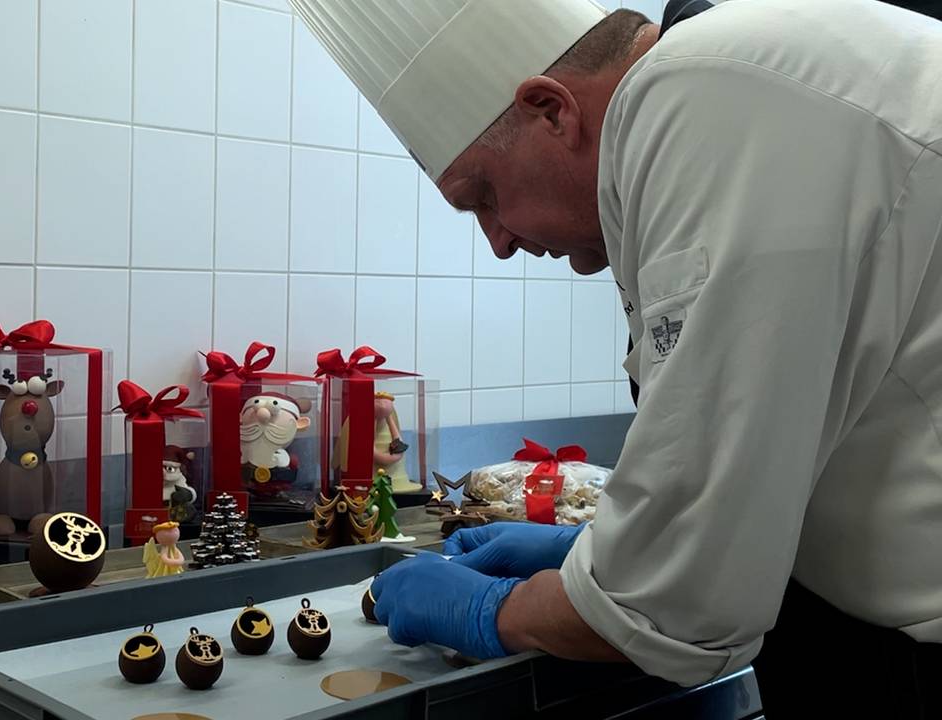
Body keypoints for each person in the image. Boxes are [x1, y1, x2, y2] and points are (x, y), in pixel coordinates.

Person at [290, 0, 942, 715]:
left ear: (552, 110)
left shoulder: (696, 94)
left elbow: (679, 605)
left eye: (483, 197)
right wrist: (605, 556)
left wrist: (501, 611)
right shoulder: (739, 78)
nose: (498, 242)